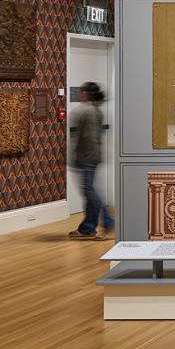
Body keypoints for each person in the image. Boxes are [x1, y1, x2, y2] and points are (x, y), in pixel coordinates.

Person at [69, 81, 114, 240]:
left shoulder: (86, 111)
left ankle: (108, 222)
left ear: (85, 93)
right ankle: (87, 228)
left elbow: (87, 138)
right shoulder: (95, 110)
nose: (78, 94)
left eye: (81, 91)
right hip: (92, 157)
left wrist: (76, 155)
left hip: (87, 158)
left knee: (90, 192)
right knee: (89, 192)